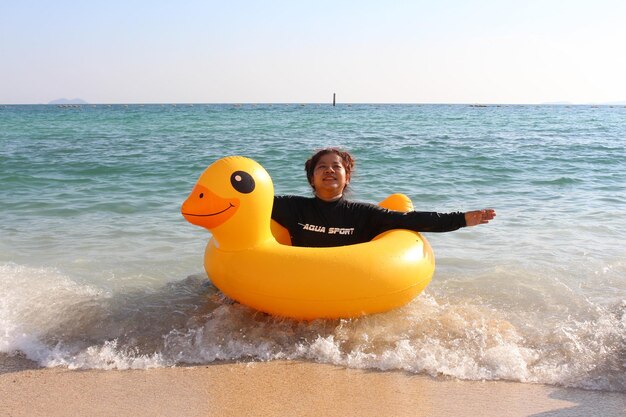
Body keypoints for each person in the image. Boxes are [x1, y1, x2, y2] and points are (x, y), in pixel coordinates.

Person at [271, 147, 495, 247]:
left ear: (346, 177)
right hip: (302, 281)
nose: (329, 170)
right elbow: (249, 204)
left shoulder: (364, 214)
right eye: (322, 167)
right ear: (311, 178)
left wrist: (462, 219)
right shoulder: (292, 208)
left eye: (336, 167)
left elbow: (412, 220)